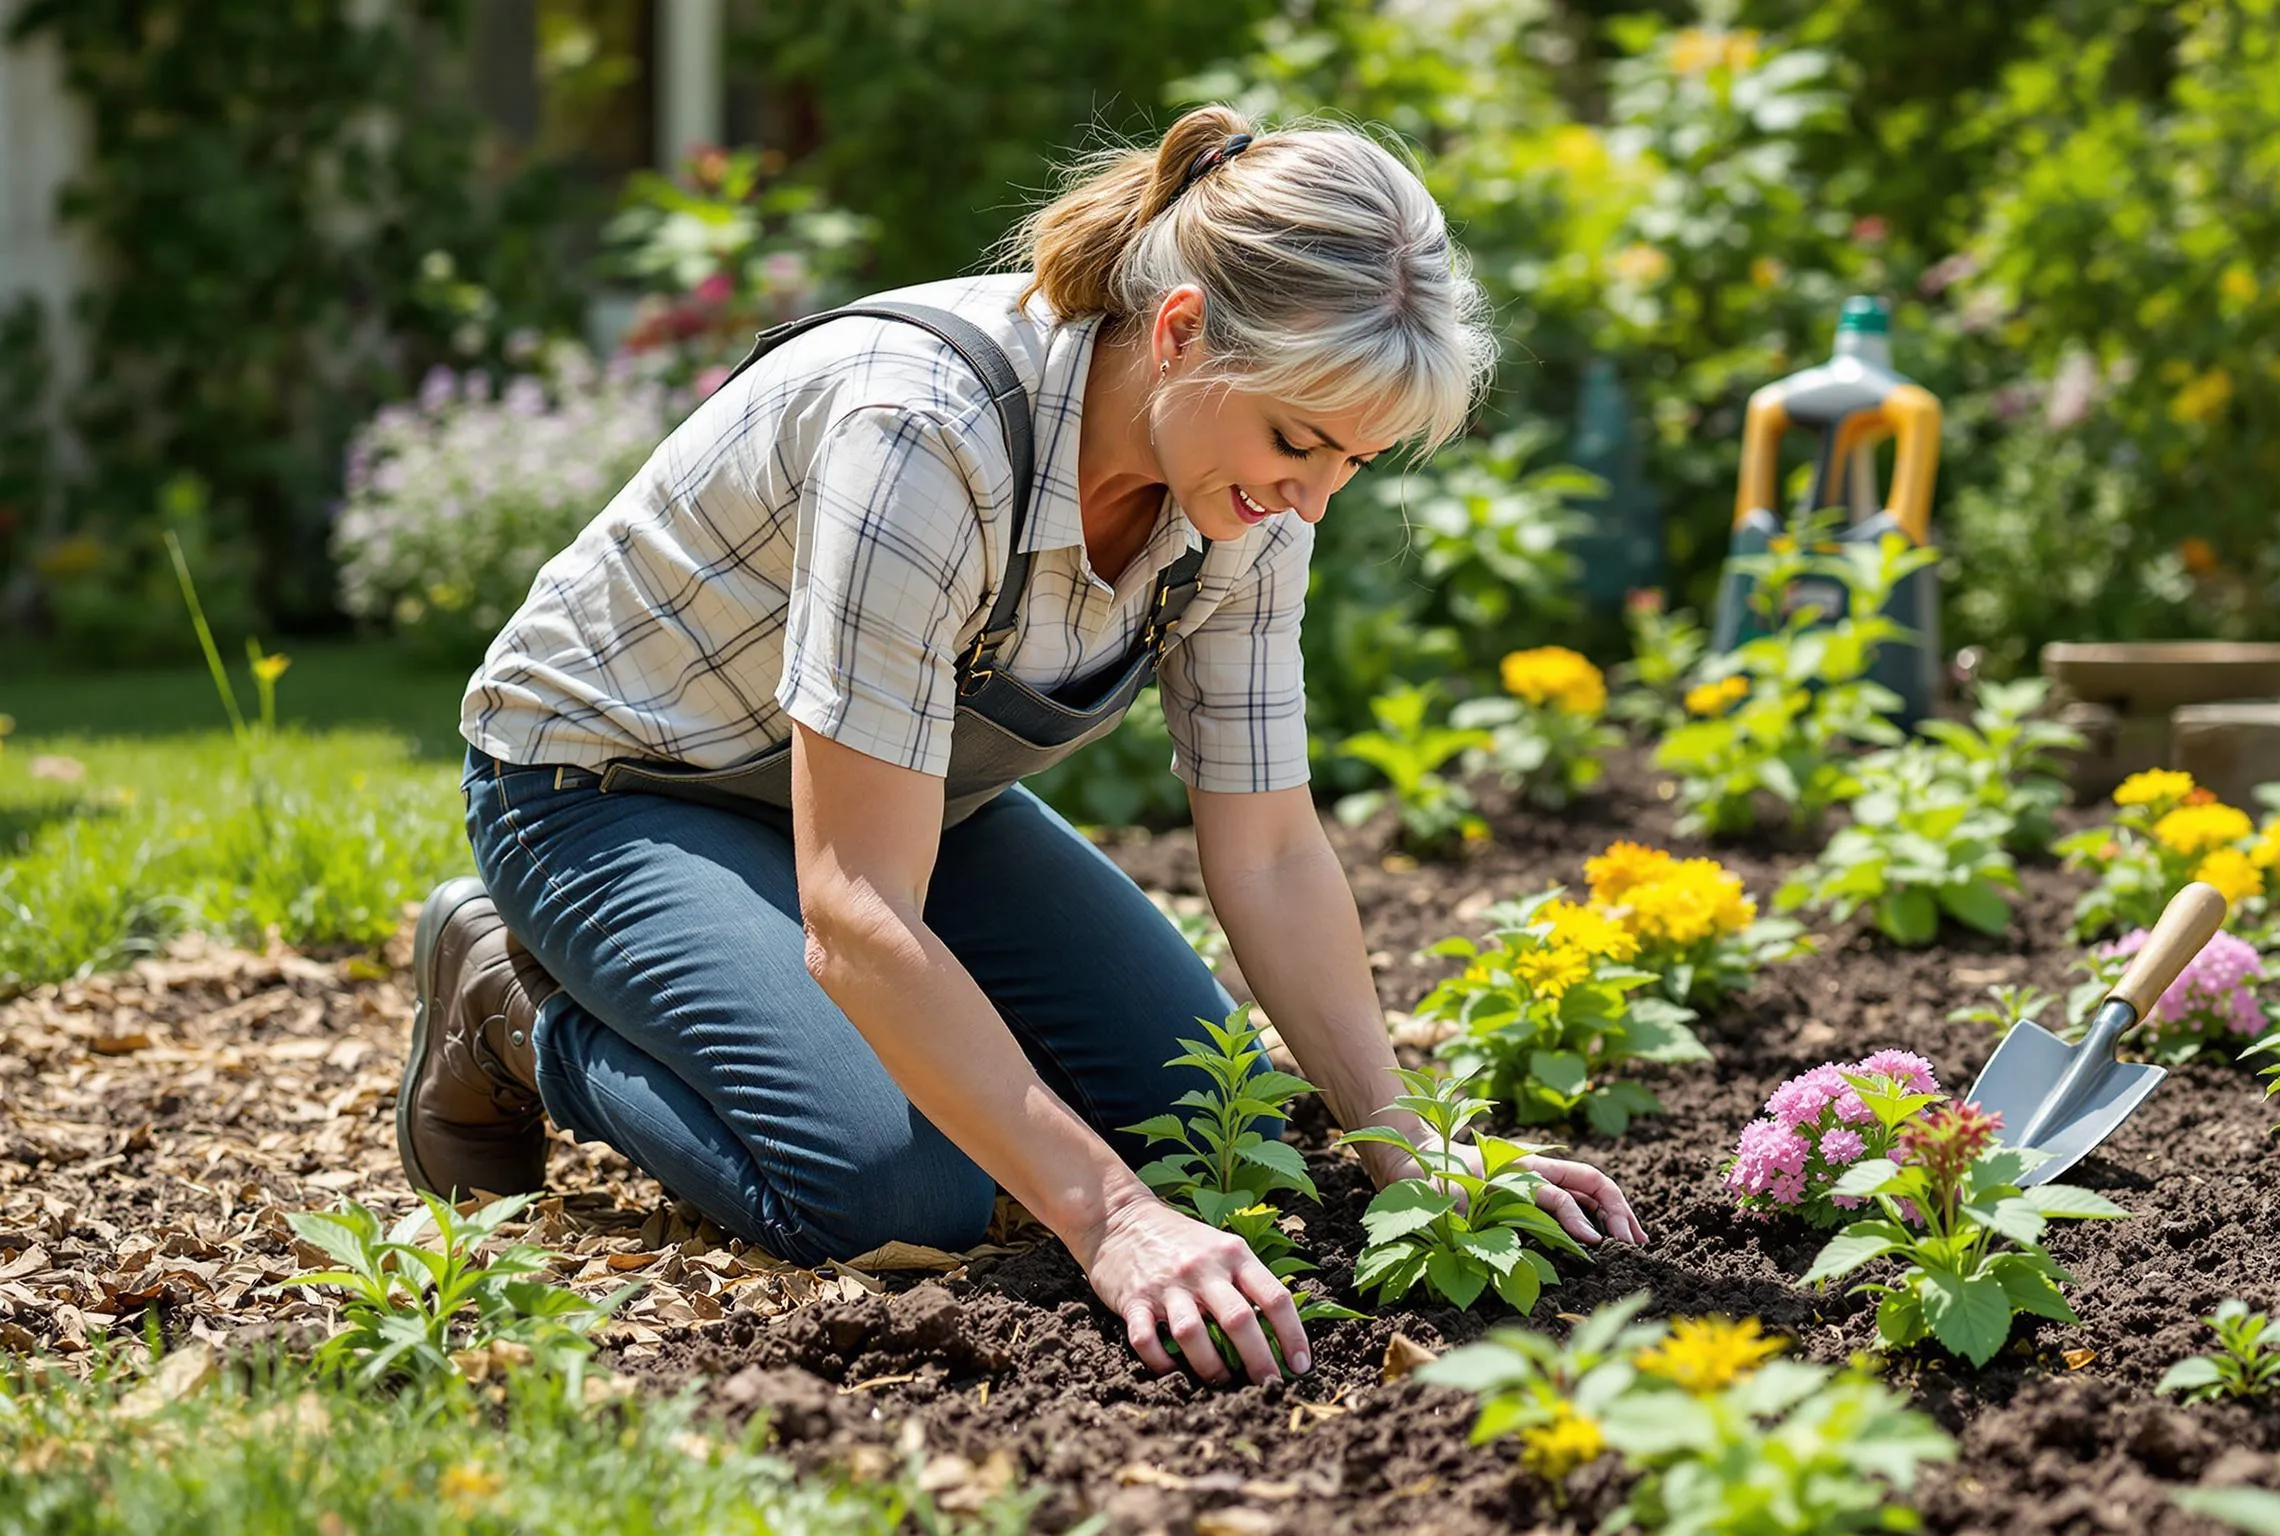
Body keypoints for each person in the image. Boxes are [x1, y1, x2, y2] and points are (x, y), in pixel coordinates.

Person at [395, 106, 1646, 1389]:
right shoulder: (926, 431)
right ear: (1180, 332)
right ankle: (510, 999)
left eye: (1353, 461)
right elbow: (858, 904)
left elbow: (1266, 848)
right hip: (611, 782)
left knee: (1218, 1129)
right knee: (892, 1197)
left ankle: (828, 1030)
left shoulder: (1246, 492)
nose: (1314, 499)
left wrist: (1406, 1144)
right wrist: (1109, 1221)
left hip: (908, 789)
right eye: (1297, 443)